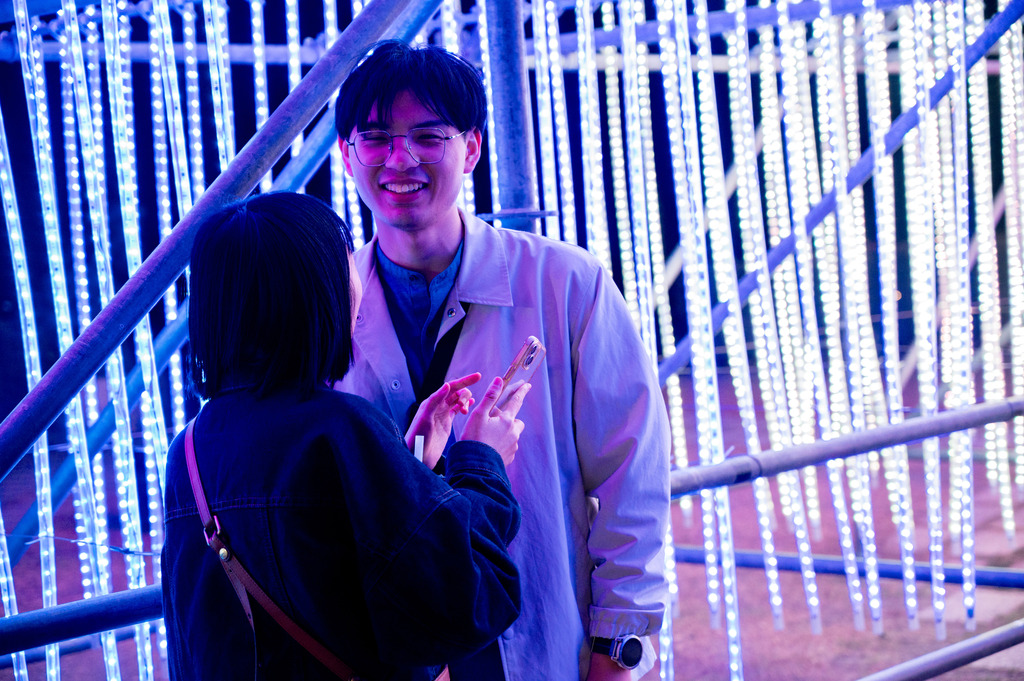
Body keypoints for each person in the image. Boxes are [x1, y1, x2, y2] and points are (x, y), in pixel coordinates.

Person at [334, 41, 672, 681]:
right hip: (388, 655)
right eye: (375, 138)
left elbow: (632, 480)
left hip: (541, 640)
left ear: (472, 149)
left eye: (428, 137)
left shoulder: (565, 284)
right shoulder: (325, 305)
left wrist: (619, 646)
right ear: (348, 155)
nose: (401, 159)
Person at [161, 191, 531, 681]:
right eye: (344, 263)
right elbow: (467, 597)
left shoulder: (188, 450)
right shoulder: (340, 428)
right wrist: (482, 460)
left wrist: (408, 464)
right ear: (316, 295)